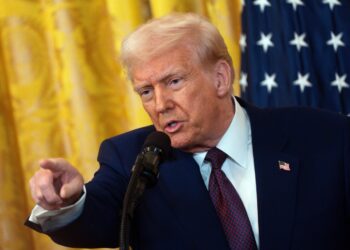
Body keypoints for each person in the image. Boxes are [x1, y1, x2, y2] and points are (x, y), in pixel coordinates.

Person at [25, 13, 350, 250]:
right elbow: (94, 221)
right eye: (146, 91)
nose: (160, 104)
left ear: (221, 78)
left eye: (173, 82)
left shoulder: (324, 137)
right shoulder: (133, 158)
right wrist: (66, 203)